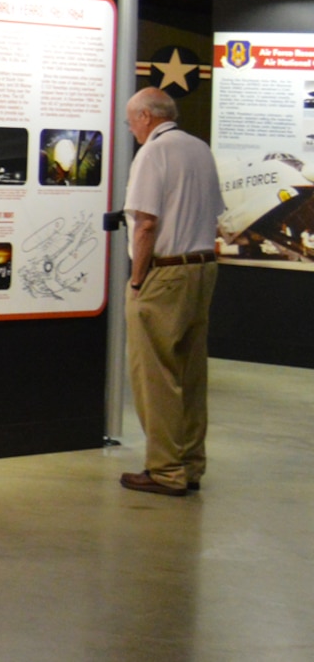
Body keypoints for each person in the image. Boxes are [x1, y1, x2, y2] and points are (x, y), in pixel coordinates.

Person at [120, 86, 223, 497]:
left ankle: (164, 470)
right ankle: (191, 464)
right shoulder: (199, 148)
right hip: (202, 269)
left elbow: (146, 223)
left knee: (156, 376)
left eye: (131, 122)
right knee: (191, 372)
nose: (131, 130)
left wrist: (137, 279)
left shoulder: (152, 153)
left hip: (164, 273)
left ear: (146, 116)